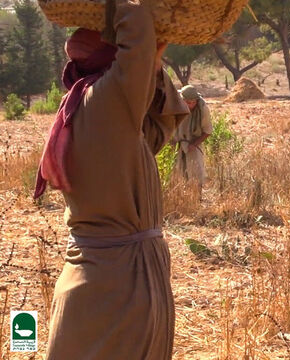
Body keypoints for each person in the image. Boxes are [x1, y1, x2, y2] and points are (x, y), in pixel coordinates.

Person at [33, 0, 189, 358]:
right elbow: (136, 40)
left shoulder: (90, 111)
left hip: (108, 279)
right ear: (112, 56)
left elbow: (154, 134)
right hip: (115, 286)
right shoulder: (103, 103)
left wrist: (153, 62)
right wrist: (126, 5)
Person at [173, 85, 213, 194]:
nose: (190, 105)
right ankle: (181, 198)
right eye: (187, 102)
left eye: (192, 102)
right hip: (177, 142)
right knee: (176, 172)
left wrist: (194, 144)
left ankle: (197, 198)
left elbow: (208, 131)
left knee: (196, 172)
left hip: (194, 142)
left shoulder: (202, 108)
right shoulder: (175, 103)